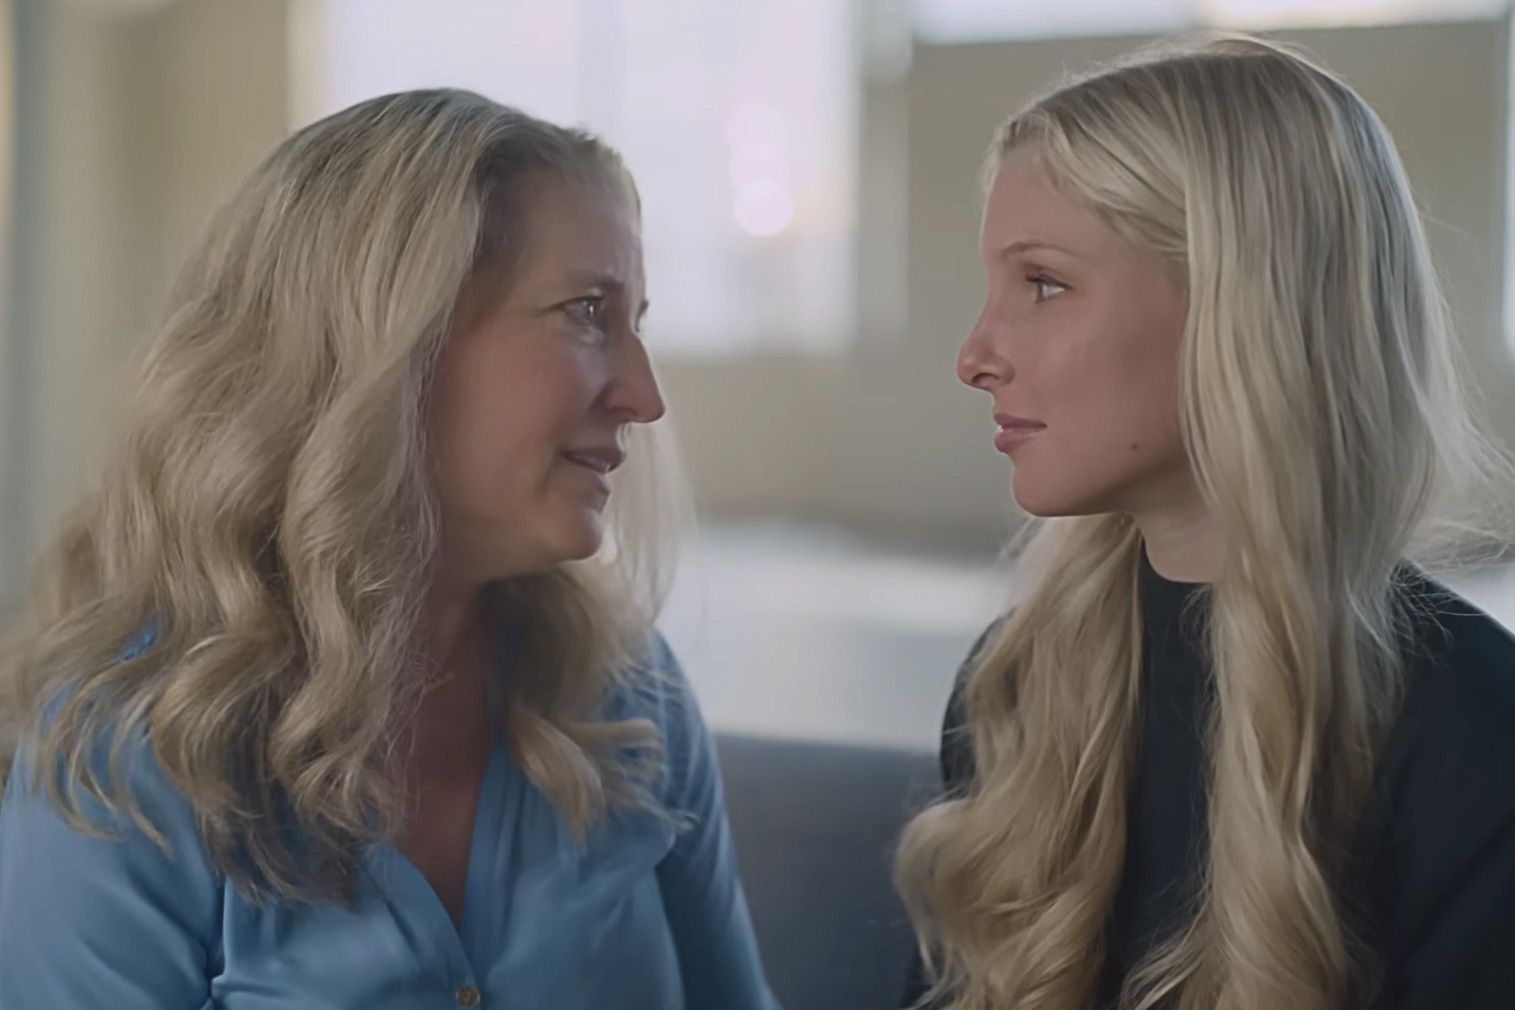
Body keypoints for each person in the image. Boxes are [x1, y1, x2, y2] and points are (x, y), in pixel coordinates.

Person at [0, 88, 780, 1010]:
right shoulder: (129, 760)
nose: (644, 397)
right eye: (584, 313)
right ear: (389, 344)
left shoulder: (628, 695)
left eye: (635, 323)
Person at [895, 34, 1515, 1010]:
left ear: (1243, 303)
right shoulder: (1015, 685)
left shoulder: (1476, 736)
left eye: (1043, 284)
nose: (975, 354)